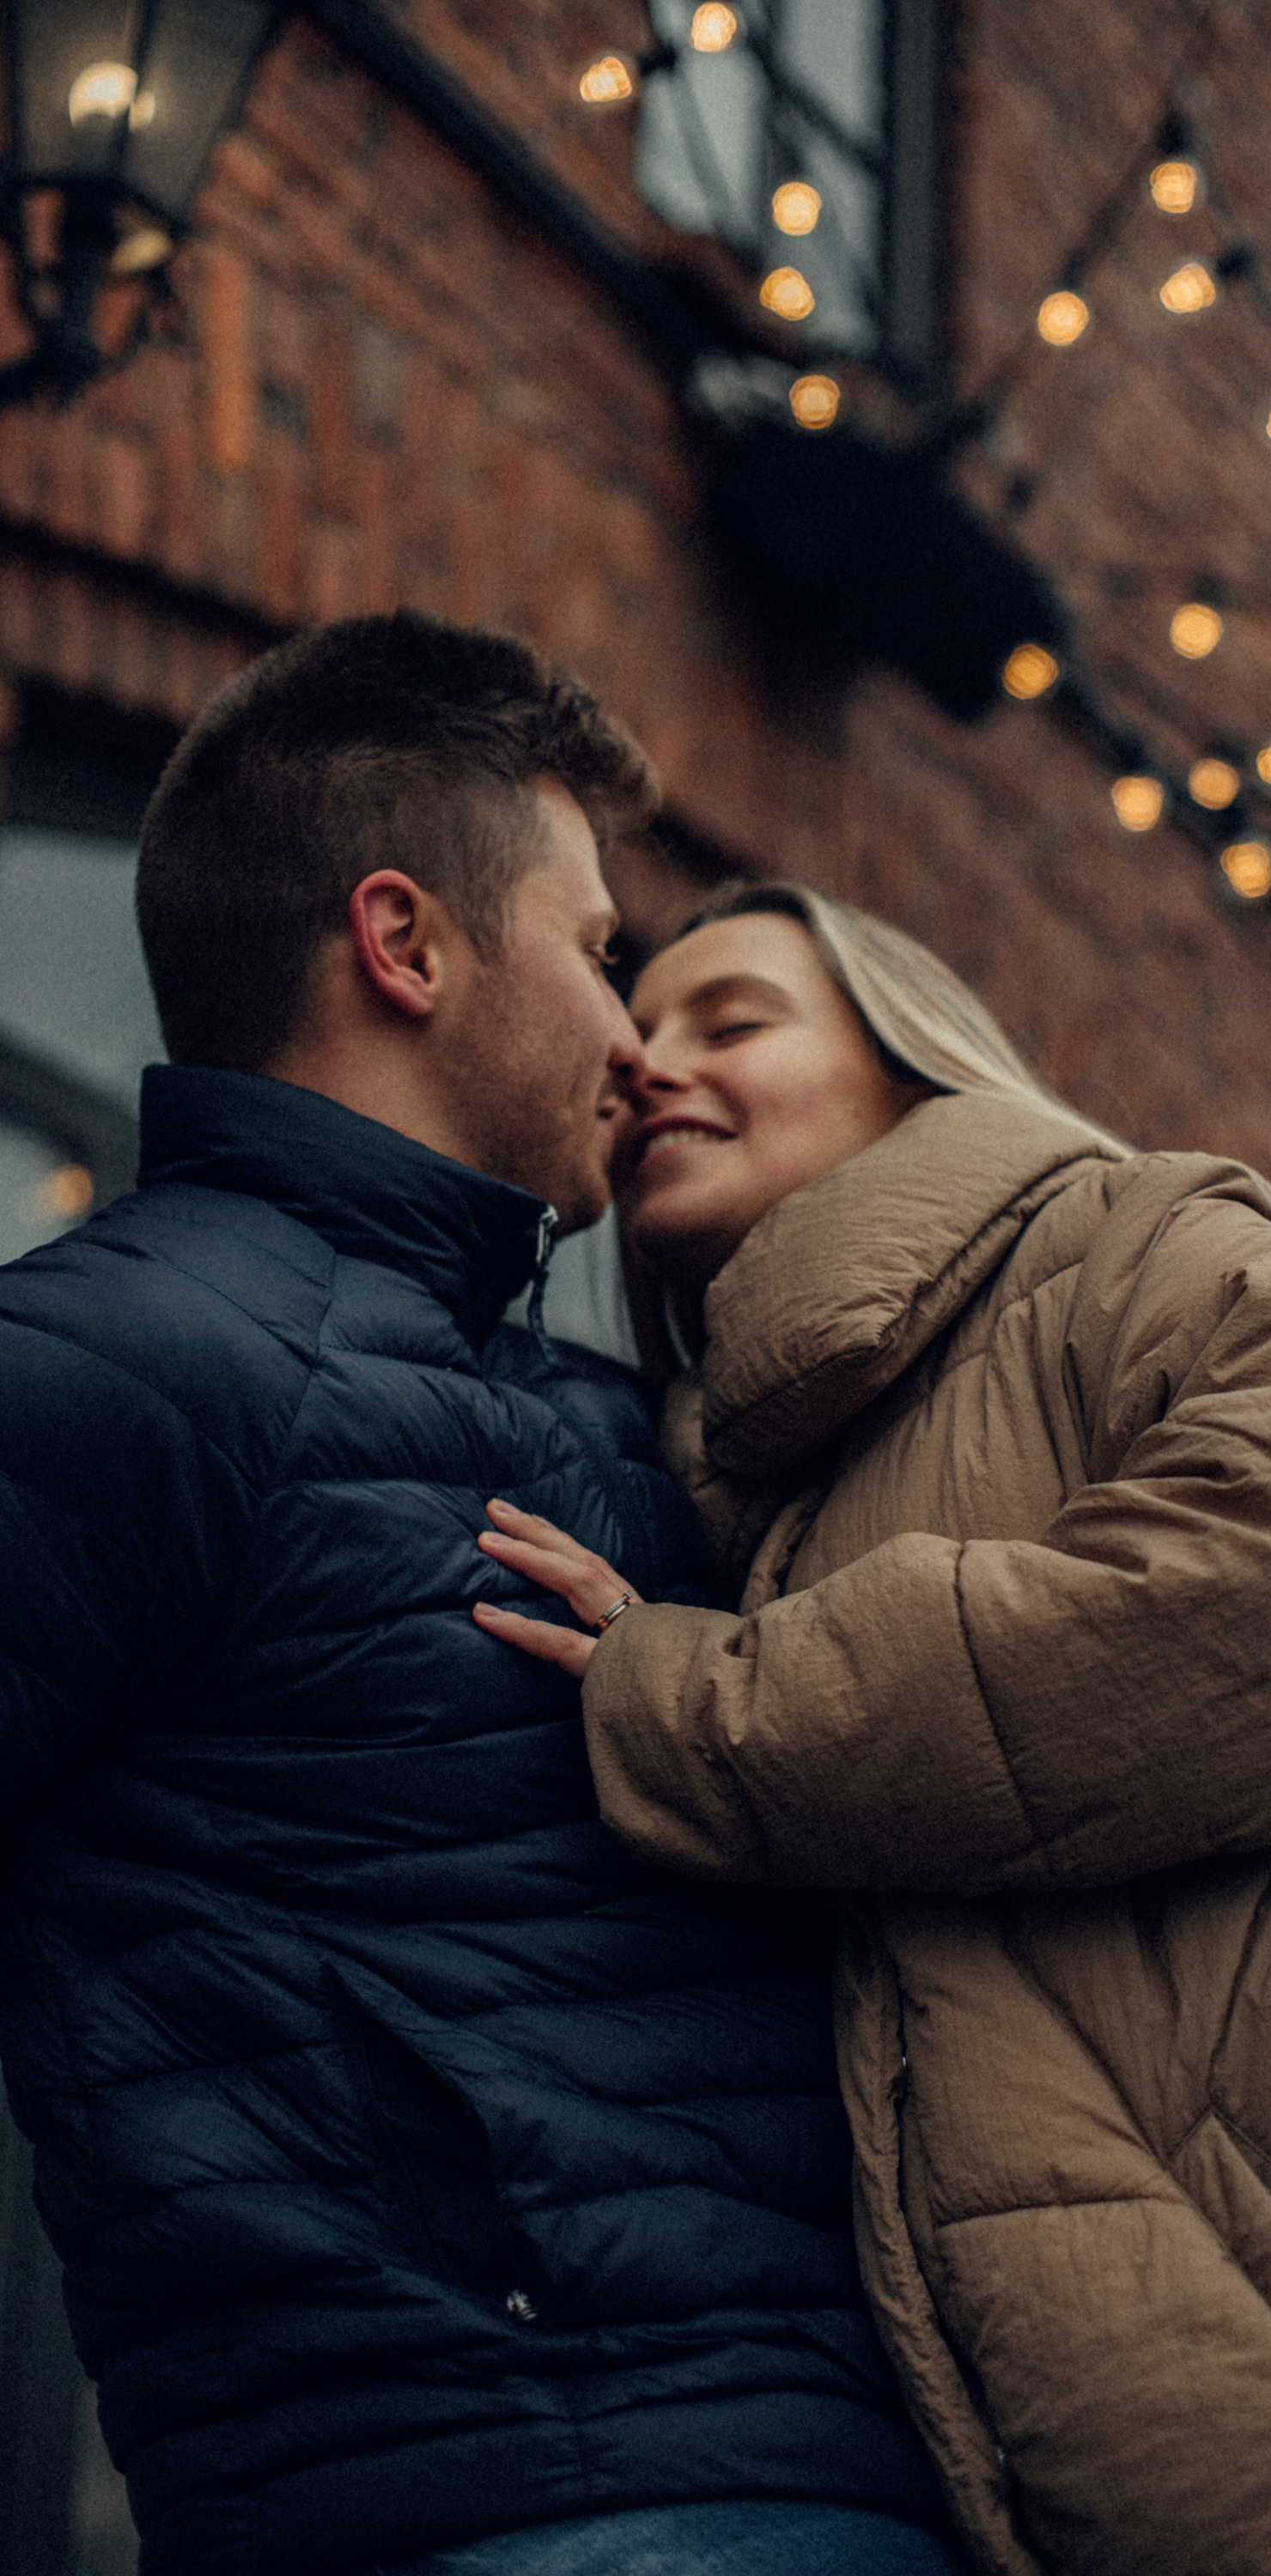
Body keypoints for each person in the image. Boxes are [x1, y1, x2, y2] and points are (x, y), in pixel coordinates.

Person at [478, 879, 1271, 2576]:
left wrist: (708, 1705)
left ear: (913, 1064)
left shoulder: (1113, 1243)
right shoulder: (759, 1494)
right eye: (639, 1031)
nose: (649, 1063)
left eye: (735, 1019)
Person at [0, 636, 961, 2576]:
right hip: (506, 2491)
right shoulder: (129, 1358)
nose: (637, 1037)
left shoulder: (598, 1417)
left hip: (853, 2475)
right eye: (600, 948)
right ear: (405, 944)